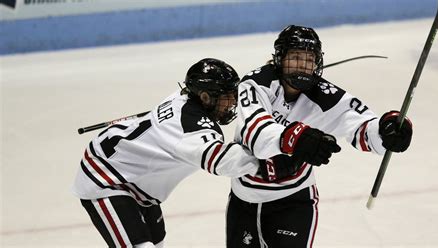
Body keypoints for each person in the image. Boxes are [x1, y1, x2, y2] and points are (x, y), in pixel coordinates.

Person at [72, 58, 294, 248]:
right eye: (227, 96)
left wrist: (267, 75)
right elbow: (222, 161)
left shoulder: (185, 97)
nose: (233, 102)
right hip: (106, 178)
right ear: (206, 97)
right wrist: (264, 163)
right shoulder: (189, 127)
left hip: (137, 181)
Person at [226, 25, 413, 247]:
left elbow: (363, 127)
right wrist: (296, 137)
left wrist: (387, 131)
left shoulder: (326, 96)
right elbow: (256, 134)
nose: (303, 66)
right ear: (279, 58)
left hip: (293, 203)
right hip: (243, 201)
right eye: (295, 57)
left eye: (309, 59)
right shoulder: (257, 83)